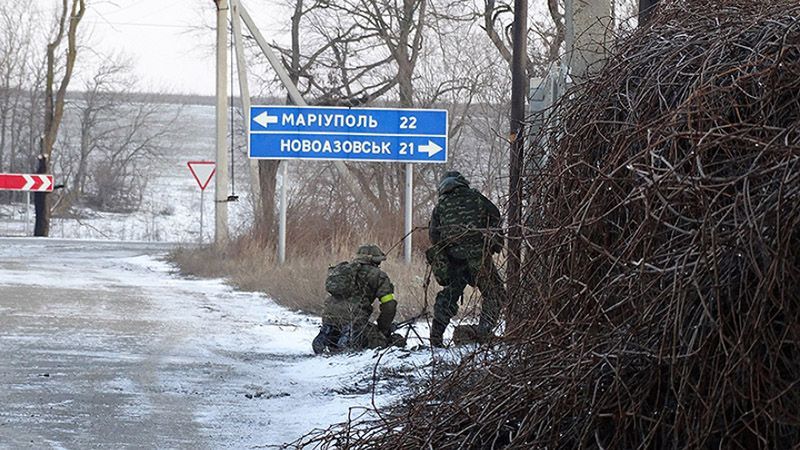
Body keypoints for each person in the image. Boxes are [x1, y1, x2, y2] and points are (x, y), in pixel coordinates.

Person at [426, 171, 506, 347]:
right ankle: (484, 331)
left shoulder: (441, 206)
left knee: (448, 297)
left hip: (454, 260)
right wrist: (495, 244)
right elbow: (495, 218)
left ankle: (436, 338)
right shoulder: (477, 198)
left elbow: (434, 236)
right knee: (495, 293)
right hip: (479, 258)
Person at [312, 244, 401, 354]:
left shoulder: (344, 270)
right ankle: (348, 338)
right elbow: (389, 306)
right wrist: (383, 329)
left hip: (329, 317)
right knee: (382, 341)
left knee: (337, 330)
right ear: (377, 261)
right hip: (355, 320)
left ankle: (327, 335)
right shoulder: (378, 275)